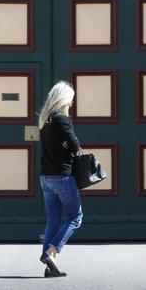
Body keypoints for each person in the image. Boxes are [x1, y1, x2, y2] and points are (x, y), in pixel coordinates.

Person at [38, 81, 83, 278]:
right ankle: (51, 252)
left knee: (53, 221)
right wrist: (69, 146)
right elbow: (75, 145)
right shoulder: (62, 119)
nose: (72, 104)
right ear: (64, 99)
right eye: (71, 100)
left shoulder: (45, 119)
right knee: (75, 217)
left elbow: (55, 145)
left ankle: (49, 267)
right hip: (62, 177)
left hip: (46, 178)